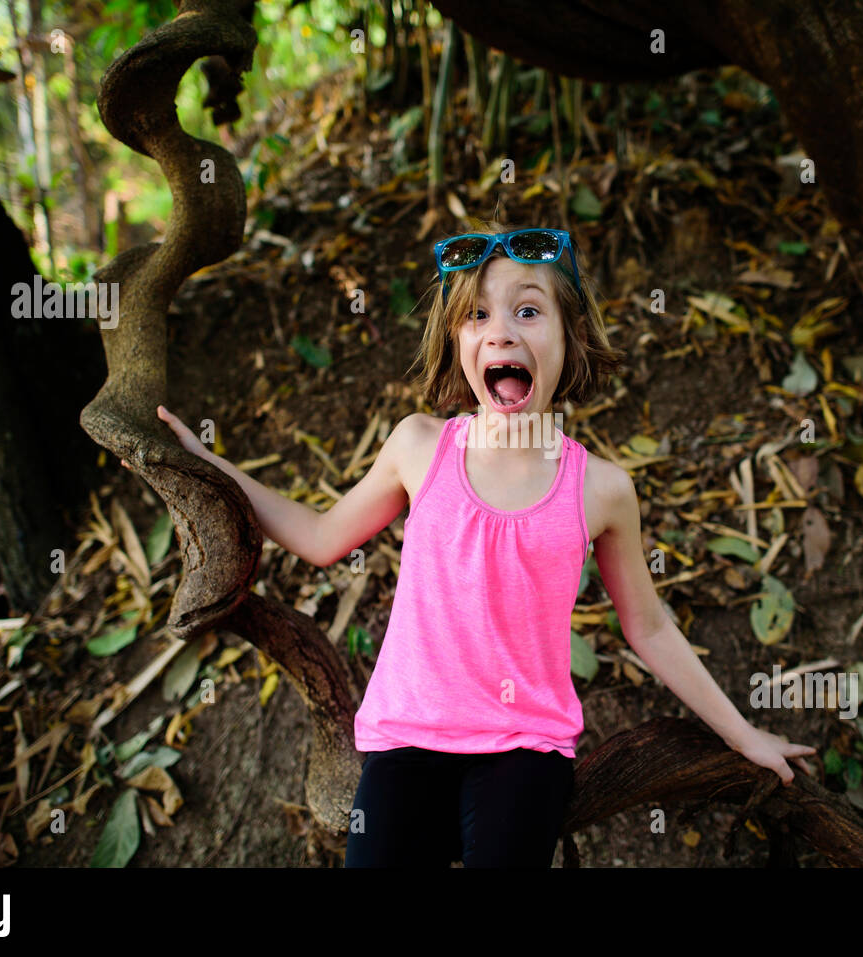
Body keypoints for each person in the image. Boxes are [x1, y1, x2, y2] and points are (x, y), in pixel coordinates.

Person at [138, 221, 816, 867]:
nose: (501, 332)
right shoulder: (419, 446)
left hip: (525, 747)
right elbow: (320, 536)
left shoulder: (601, 489)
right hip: (409, 737)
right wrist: (209, 464)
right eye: (478, 316)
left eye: (528, 311)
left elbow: (650, 625)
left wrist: (743, 733)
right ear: (459, 342)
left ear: (569, 334)